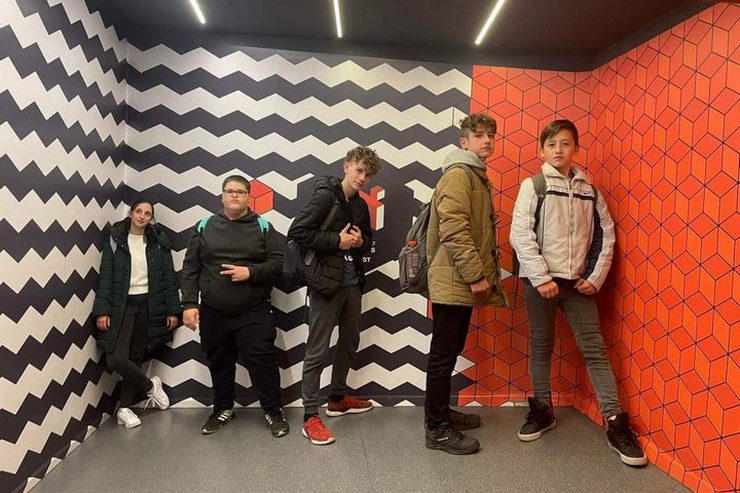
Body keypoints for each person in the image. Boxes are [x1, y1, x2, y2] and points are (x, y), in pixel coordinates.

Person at [510, 119, 647, 466]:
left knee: (595, 351)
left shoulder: (591, 191)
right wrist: (541, 278)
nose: (559, 149)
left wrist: (594, 277)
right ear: (541, 151)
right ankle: (542, 410)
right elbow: (520, 234)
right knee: (541, 345)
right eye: (552, 144)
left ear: (576, 148)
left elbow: (606, 235)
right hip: (540, 283)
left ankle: (615, 423)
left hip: (578, 285)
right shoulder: (534, 185)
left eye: (566, 143)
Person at [287, 146, 384, 445]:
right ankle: (309, 416)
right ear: (346, 166)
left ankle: (337, 398)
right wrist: (336, 241)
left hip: (352, 283)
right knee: (317, 350)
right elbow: (297, 232)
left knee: (350, 341)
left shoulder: (361, 205)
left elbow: (367, 241)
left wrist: (359, 241)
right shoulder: (325, 196)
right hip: (324, 284)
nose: (362, 178)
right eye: (359, 170)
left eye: (368, 175)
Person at [424, 113, 508, 455]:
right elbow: (453, 229)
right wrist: (475, 275)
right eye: (479, 135)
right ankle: (436, 429)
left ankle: (441, 414)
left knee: (448, 351)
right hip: (455, 279)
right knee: (443, 356)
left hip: (456, 279)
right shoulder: (460, 173)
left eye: (491, 135)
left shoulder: (474, 174)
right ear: (464, 142)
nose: (487, 140)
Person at [180, 175, 289, 438]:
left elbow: (280, 264)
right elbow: (190, 267)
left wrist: (250, 272)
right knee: (219, 363)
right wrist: (189, 304)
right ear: (222, 195)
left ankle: (273, 410)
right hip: (213, 311)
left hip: (253, 310)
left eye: (240, 192)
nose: (234, 195)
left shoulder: (263, 227)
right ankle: (222, 409)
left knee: (262, 361)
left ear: (249, 196)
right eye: (229, 191)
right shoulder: (204, 226)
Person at [93, 199, 180, 428]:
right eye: (138, 211)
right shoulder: (116, 240)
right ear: (131, 213)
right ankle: (151, 386)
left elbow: (168, 278)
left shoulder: (157, 242)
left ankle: (124, 409)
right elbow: (106, 276)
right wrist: (102, 310)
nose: (142, 216)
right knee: (116, 359)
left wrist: (173, 310)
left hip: (148, 305)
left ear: (151, 218)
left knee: (135, 357)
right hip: (122, 306)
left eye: (147, 213)